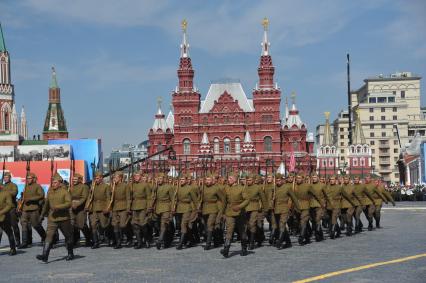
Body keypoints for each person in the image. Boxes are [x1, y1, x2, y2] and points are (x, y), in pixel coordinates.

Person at [37, 174, 74, 263]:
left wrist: (58, 207)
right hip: (52, 218)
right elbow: (46, 206)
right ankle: (44, 256)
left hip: (63, 218)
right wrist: (41, 216)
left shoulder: (65, 192)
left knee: (68, 236)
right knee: (48, 236)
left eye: (55, 182)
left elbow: (69, 203)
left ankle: (70, 253)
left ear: (60, 183)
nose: (53, 184)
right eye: (52, 182)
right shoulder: (49, 192)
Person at [220, 173, 249, 258]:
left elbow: (247, 200)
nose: (228, 179)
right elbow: (224, 202)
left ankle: (244, 248)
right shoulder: (226, 188)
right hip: (229, 213)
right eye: (228, 178)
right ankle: (226, 249)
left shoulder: (242, 188)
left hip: (240, 213)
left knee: (242, 231)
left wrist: (239, 207)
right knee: (229, 230)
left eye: (230, 178)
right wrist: (222, 213)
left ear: (235, 179)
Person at [272, 174, 300, 249]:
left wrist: (298, 208)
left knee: (282, 224)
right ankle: (288, 242)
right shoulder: (274, 188)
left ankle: (280, 241)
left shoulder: (287, 187)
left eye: (279, 180)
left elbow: (294, 198)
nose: (278, 182)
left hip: (284, 209)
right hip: (276, 210)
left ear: (282, 180)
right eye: (276, 180)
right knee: (280, 226)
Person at [293, 173, 322, 245]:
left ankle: (301, 237)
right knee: (301, 223)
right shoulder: (294, 186)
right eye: (297, 178)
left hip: (306, 206)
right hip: (297, 207)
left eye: (300, 178)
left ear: (302, 179)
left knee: (303, 222)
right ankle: (307, 238)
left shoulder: (307, 186)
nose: (298, 179)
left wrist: (321, 203)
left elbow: (315, 195)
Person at [19, 173, 46, 248]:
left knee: (36, 224)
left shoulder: (38, 186)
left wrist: (31, 199)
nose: (28, 180)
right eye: (27, 178)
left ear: (34, 178)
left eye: (30, 178)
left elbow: (41, 195)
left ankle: (45, 237)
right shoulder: (26, 187)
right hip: (25, 208)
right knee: (23, 223)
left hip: (34, 208)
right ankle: (24, 242)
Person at [172, 174, 198, 250]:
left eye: (183, 180)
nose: (181, 181)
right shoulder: (177, 188)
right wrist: (173, 208)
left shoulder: (190, 188)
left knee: (183, 224)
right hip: (179, 208)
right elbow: (175, 198)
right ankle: (191, 240)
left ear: (186, 180)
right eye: (180, 180)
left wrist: (197, 210)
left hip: (187, 208)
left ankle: (180, 243)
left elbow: (195, 200)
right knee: (184, 226)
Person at [86, 171, 111, 249]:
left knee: (104, 225)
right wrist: (87, 206)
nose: (96, 180)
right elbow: (89, 197)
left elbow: (108, 198)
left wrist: (107, 208)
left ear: (101, 178)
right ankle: (96, 242)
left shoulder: (106, 186)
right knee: (93, 225)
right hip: (93, 208)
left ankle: (108, 237)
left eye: (97, 178)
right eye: (95, 178)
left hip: (102, 207)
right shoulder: (93, 187)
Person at [199, 173, 225, 250]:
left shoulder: (216, 188)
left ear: (212, 180)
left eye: (209, 180)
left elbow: (222, 199)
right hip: (204, 208)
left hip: (213, 208)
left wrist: (222, 209)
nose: (208, 181)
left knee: (210, 224)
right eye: (206, 180)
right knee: (206, 226)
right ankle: (215, 240)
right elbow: (199, 198)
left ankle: (208, 243)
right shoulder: (202, 188)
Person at [148, 174, 174, 250]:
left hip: (166, 207)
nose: (159, 180)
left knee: (163, 225)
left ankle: (160, 240)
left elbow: (173, 199)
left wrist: (172, 208)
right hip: (157, 208)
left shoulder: (169, 187)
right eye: (158, 178)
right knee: (158, 225)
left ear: (164, 179)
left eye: (160, 178)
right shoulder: (156, 187)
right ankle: (167, 239)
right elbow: (153, 197)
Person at [244, 174, 267, 250]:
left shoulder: (258, 188)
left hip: (255, 207)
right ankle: (257, 238)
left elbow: (263, 199)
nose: (248, 181)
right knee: (247, 225)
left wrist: (265, 209)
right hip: (246, 208)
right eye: (247, 180)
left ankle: (251, 242)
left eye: (250, 180)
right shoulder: (244, 187)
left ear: (253, 180)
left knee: (252, 224)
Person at [130, 172, 151, 249]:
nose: (136, 177)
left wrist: (149, 207)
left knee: (142, 224)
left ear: (141, 177)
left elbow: (149, 197)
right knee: (135, 225)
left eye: (137, 176)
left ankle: (147, 239)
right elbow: (129, 197)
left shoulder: (145, 185)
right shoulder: (132, 185)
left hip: (143, 205)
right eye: (135, 176)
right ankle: (139, 242)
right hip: (134, 206)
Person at [110, 171, 131, 249]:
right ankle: (118, 242)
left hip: (123, 207)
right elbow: (110, 198)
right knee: (115, 225)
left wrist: (128, 208)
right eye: (114, 177)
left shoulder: (125, 186)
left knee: (123, 225)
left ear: (120, 178)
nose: (114, 179)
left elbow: (128, 198)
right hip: (115, 208)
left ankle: (129, 238)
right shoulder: (112, 186)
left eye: (116, 177)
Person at [69, 173, 91, 247]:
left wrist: (77, 204)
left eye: (75, 179)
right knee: (73, 225)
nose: (73, 181)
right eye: (73, 179)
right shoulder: (71, 187)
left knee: (81, 225)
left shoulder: (84, 187)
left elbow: (84, 197)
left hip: (81, 208)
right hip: (72, 207)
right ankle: (75, 240)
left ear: (79, 180)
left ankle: (89, 239)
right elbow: (69, 197)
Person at [2, 172, 20, 246]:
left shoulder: (13, 185)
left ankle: (18, 240)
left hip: (11, 208)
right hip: (3, 209)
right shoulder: (2, 186)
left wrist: (4, 191)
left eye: (7, 177)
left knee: (14, 225)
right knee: (4, 226)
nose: (5, 179)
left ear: (10, 178)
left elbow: (14, 193)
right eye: (5, 177)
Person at [0, 184, 17, 255]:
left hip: (5, 216)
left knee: (9, 232)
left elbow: (9, 205)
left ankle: (13, 248)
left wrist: (1, 212)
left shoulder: (6, 193)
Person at [309, 174, 326, 241]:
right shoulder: (310, 186)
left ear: (318, 178)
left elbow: (326, 195)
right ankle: (320, 234)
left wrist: (324, 204)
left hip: (319, 205)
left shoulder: (322, 185)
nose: (314, 178)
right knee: (314, 221)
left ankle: (317, 235)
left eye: (315, 177)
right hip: (312, 205)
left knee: (317, 219)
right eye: (313, 177)